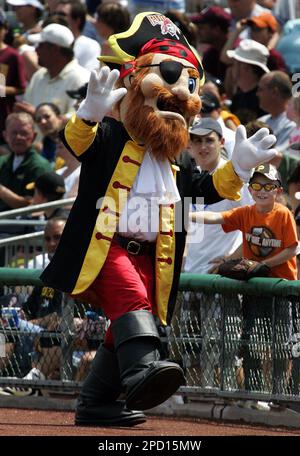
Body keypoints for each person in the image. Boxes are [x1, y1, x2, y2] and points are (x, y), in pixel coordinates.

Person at [40, 11, 277, 427]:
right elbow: (78, 143)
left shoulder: (175, 162)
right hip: (108, 246)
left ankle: (95, 401)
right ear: (135, 85)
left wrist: (238, 169)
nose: (180, 96)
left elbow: (204, 192)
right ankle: (143, 373)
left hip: (155, 256)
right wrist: (90, 113)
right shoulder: (112, 138)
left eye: (188, 85)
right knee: (132, 305)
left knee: (127, 327)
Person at [191, 163, 298, 400]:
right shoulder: (247, 212)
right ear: (250, 189)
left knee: (281, 345)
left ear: (278, 190)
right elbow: (216, 216)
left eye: (268, 185)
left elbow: (293, 249)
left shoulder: (283, 213)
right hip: (255, 289)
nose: (262, 190)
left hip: (281, 289)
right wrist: (185, 214)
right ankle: (256, 393)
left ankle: (281, 396)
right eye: (257, 185)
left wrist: (264, 265)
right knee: (252, 341)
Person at [0, 113, 52, 213]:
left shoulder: (40, 166)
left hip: (23, 224)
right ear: (5, 135)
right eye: (14, 133)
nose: (18, 137)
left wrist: (2, 191)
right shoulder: (2, 162)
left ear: (34, 136)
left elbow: (33, 205)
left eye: (24, 133)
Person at [0, 9, 26, 145]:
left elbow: (21, 88)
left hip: (3, 117)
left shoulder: (12, 55)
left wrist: (2, 89)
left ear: (5, 29)